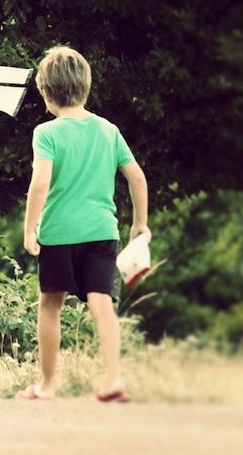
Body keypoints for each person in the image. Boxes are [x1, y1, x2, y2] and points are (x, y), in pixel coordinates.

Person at [18, 46, 150, 402]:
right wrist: (140, 225)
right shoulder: (108, 131)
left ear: (45, 92)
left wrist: (30, 228)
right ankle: (112, 378)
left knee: (50, 304)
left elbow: (40, 183)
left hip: (59, 233)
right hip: (102, 232)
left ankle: (46, 386)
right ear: (86, 86)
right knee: (101, 303)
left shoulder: (46, 134)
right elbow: (137, 178)